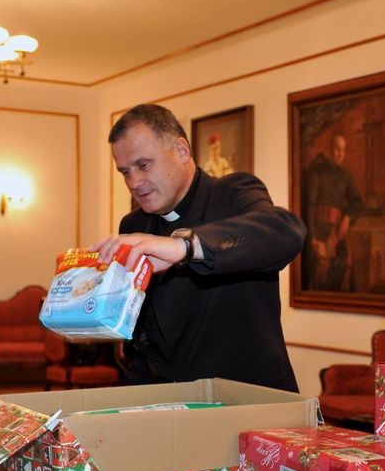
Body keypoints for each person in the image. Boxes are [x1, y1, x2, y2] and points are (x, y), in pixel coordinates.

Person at [93, 104, 305, 391]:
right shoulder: (134, 224)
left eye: (143, 165)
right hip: (168, 398)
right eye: (125, 172)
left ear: (182, 151)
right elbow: (143, 332)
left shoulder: (233, 193)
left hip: (248, 396)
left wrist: (185, 246)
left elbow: (285, 232)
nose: (134, 182)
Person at [302, 134, 364, 292]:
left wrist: (348, 217)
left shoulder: (345, 176)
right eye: (337, 149)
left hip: (336, 233)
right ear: (330, 150)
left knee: (344, 269)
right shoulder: (316, 171)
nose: (340, 154)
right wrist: (313, 236)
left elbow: (358, 202)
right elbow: (309, 206)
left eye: (343, 150)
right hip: (317, 232)